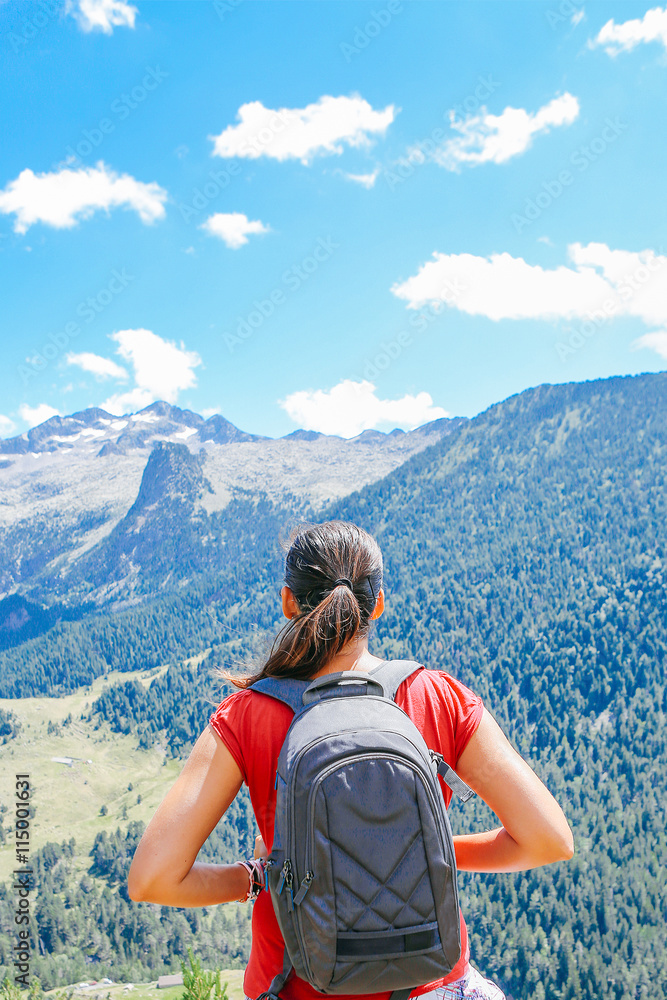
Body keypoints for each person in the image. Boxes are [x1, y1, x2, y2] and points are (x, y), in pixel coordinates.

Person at [128, 520, 574, 1000]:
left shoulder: (249, 715)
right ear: (378, 603)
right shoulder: (436, 696)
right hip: (433, 986)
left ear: (288, 602)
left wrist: (258, 878)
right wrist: (430, 854)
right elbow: (549, 841)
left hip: (299, 987)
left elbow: (155, 878)